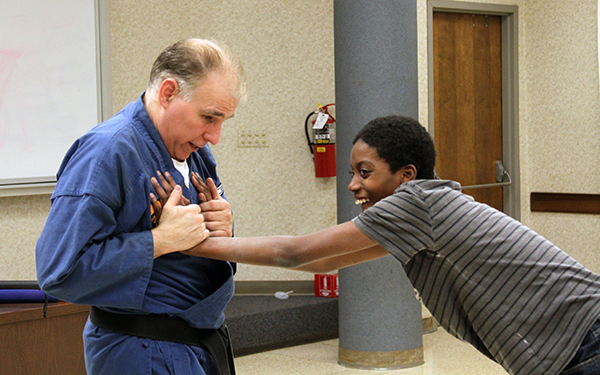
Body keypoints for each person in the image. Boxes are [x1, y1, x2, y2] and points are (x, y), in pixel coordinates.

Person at [171, 115, 600, 375]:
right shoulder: (424, 214)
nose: (354, 185)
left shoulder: (418, 205)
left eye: (365, 172)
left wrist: (191, 243)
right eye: (353, 172)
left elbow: (296, 251)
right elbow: (318, 262)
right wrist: (216, 238)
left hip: (586, 339)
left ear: (407, 175)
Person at [36, 38, 245, 375]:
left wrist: (222, 231)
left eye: (224, 121)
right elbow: (59, 271)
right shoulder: (107, 153)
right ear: (167, 93)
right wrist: (160, 241)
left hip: (197, 345)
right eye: (209, 117)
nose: (215, 136)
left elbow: (197, 244)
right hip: (141, 351)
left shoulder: (195, 153)